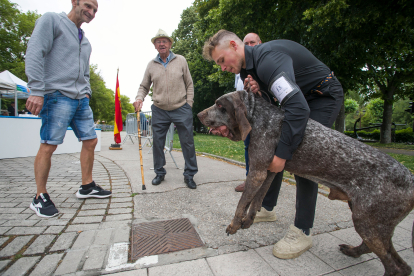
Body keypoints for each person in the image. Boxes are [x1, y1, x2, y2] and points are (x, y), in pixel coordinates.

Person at [203, 30, 343, 259]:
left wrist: (282, 155)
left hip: (322, 96)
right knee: (270, 150)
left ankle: (303, 230)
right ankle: (266, 209)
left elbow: (297, 108)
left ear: (233, 45)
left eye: (221, 60)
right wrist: (262, 92)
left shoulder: (267, 59)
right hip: (302, 98)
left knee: (302, 157)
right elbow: (274, 103)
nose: (222, 68)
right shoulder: (248, 68)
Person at [25, 0, 111, 218]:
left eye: (95, 10)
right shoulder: (52, 20)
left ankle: (86, 185)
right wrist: (36, 90)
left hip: (81, 98)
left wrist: (87, 92)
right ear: (75, 2)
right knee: (49, 145)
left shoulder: (86, 41)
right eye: (88, 6)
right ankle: (39, 196)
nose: (91, 12)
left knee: (90, 140)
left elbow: (85, 72)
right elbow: (35, 52)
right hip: (56, 95)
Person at [133, 29, 198, 189]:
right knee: (157, 142)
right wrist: (139, 98)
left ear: (170, 44)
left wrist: (189, 104)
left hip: (181, 107)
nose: (161, 44)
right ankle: (159, 173)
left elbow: (189, 84)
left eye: (164, 41)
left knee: (187, 142)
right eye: (158, 41)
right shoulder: (151, 65)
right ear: (155, 46)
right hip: (159, 109)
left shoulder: (181, 60)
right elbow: (144, 86)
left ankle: (189, 174)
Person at [234, 33, 262, 193]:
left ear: (260, 43)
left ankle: (262, 183)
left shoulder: (264, 63)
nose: (249, 46)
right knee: (248, 146)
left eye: (253, 42)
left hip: (262, 114)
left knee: (263, 148)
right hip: (246, 113)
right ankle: (249, 180)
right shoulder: (240, 69)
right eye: (246, 43)